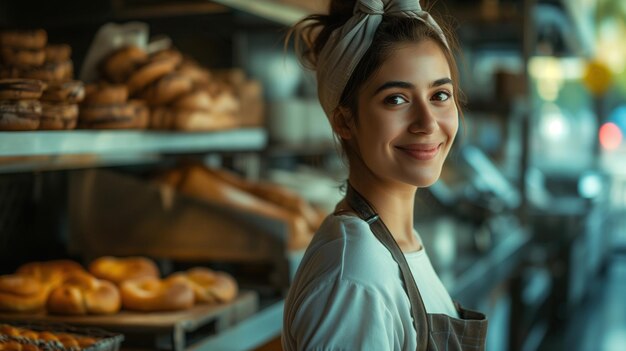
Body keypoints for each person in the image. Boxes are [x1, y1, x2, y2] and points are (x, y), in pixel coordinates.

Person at [282, 0, 488, 350]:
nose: (427, 123)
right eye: (396, 99)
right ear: (344, 120)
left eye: (440, 95)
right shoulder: (355, 278)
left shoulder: (392, 244)